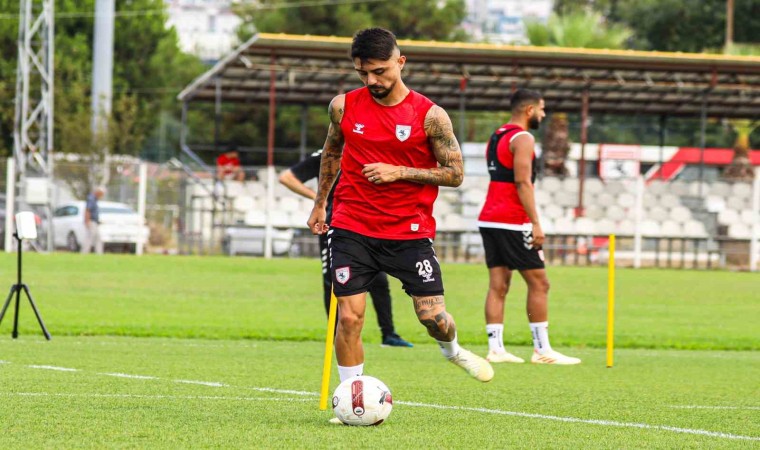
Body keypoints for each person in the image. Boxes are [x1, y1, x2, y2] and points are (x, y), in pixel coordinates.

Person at [307, 28, 494, 388]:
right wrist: (320, 204)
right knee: (349, 318)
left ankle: (453, 351)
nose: (371, 81)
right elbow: (331, 152)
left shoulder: (431, 116)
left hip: (409, 232)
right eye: (363, 73)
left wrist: (400, 171)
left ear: (400, 62)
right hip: (351, 225)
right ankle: (352, 399)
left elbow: (455, 174)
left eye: (379, 71)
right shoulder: (342, 107)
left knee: (433, 318)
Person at [477, 88, 581, 365]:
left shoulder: (497, 135)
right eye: (542, 109)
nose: (543, 115)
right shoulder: (523, 138)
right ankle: (542, 350)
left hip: (489, 217)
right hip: (512, 220)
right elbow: (523, 182)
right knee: (540, 283)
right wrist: (535, 223)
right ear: (529, 110)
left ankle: (496, 349)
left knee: (498, 284)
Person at [279, 149, 412, 347]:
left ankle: (389, 334)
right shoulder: (326, 154)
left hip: (364, 222)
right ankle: (336, 337)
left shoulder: (366, 150)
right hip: (334, 223)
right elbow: (287, 178)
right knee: (333, 280)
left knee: (379, 279)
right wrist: (319, 198)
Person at [82, 186, 105, 254]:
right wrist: (87, 221)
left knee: (98, 238)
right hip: (91, 221)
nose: (101, 196)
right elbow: (87, 210)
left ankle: (99, 253)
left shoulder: (95, 199)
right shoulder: (91, 199)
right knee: (89, 237)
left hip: (95, 222)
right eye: (101, 194)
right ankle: (85, 252)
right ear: (98, 192)